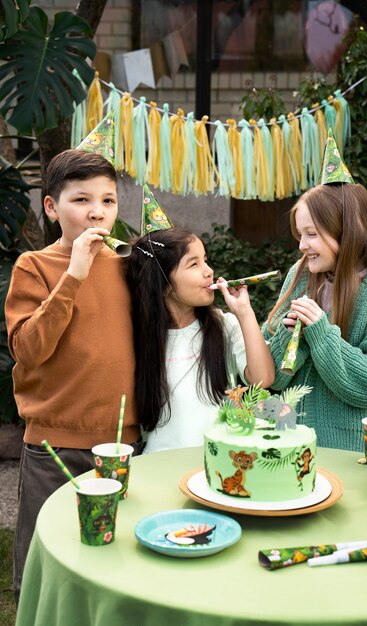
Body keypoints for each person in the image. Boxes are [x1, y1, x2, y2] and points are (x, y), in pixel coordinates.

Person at [5, 148, 140, 601]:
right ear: (51, 207)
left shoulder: (128, 267)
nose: (97, 212)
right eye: (81, 200)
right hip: (53, 444)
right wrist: (74, 276)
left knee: (117, 566)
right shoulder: (35, 267)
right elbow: (28, 350)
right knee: (44, 570)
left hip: (122, 443)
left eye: (108, 200)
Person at [263, 181, 367, 451]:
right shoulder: (299, 278)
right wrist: (289, 336)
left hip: (354, 453)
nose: (301, 245)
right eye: (300, 234)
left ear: (347, 233)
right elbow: (271, 377)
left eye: (311, 234)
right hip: (291, 445)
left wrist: (321, 334)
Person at [124, 225, 275, 453]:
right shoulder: (138, 337)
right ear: (164, 285)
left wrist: (244, 312)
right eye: (194, 264)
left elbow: (263, 379)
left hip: (216, 462)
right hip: (157, 465)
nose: (209, 271)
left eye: (205, 260)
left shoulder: (223, 326)